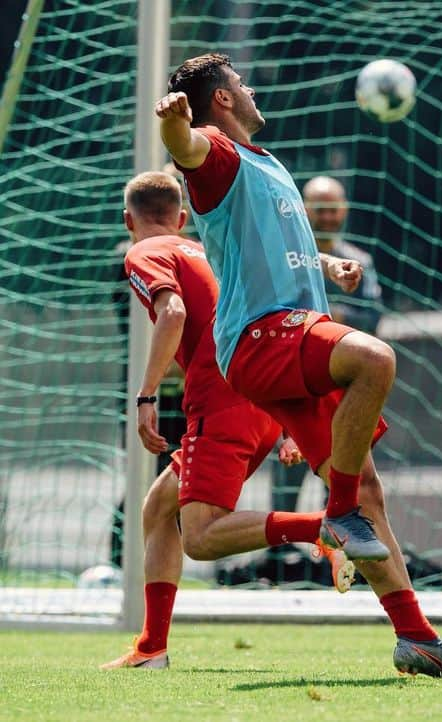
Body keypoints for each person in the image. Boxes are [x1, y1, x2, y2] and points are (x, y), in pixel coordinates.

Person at [156, 53, 442, 677]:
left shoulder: (266, 164)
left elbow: (280, 249)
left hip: (290, 340)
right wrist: (174, 122)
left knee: (371, 493)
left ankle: (417, 640)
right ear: (220, 100)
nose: (250, 87)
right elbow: (185, 148)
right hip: (262, 336)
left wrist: (329, 268)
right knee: (375, 359)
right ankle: (335, 514)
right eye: (240, 81)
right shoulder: (217, 150)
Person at [103, 171, 358, 669]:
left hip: (221, 397)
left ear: (127, 219)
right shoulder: (205, 251)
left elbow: (172, 313)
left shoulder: (143, 252)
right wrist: (286, 419)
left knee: (199, 535)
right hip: (261, 391)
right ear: (181, 219)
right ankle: (151, 648)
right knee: (159, 510)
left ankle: (325, 528)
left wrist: (146, 395)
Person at [271, 175, 383, 519]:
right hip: (295, 392)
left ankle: (336, 568)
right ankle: (279, 566)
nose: (329, 217)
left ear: (345, 210)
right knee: (285, 491)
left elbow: (374, 317)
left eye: (334, 209)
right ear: (304, 211)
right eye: (321, 210)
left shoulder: (357, 261)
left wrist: (333, 319)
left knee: (343, 494)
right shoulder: (287, 259)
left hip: (341, 397)